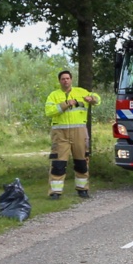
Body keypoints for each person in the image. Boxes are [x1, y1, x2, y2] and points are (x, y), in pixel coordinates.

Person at [44, 69, 99, 200]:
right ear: (59, 81)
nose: (65, 81)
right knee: (58, 163)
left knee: (82, 162)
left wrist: (92, 99)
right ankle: (55, 192)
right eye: (63, 79)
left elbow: (97, 99)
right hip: (60, 133)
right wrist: (66, 104)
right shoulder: (53, 95)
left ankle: (83, 189)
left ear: (71, 79)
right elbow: (49, 111)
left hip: (79, 132)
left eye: (67, 78)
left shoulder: (81, 92)